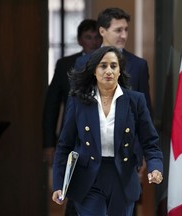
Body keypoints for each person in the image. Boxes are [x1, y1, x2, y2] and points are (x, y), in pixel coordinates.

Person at [52, 46, 163, 216]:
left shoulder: (135, 101)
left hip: (122, 177)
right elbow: (64, 145)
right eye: (103, 66)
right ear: (94, 71)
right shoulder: (78, 102)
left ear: (120, 71)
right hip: (88, 178)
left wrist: (155, 167)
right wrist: (59, 184)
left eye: (113, 66)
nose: (108, 71)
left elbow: (150, 141)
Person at [42, 19, 102, 216]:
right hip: (74, 141)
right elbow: (51, 106)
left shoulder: (110, 63)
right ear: (79, 40)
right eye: (88, 37)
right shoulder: (65, 65)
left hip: (105, 139)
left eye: (96, 38)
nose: (93, 42)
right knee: (75, 194)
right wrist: (49, 144)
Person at [75, 7, 152, 114]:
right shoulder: (82, 63)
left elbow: (145, 110)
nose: (124, 35)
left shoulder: (139, 65)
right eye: (118, 30)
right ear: (102, 31)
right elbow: (75, 108)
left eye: (126, 29)